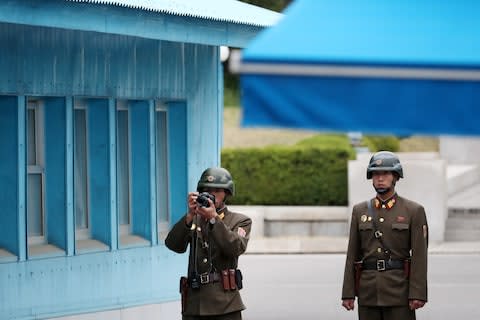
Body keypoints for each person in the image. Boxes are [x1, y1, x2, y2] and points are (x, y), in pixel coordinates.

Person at [341, 151, 428, 320]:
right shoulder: (359, 211)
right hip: (368, 293)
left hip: (399, 293)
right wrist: (348, 292)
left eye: (386, 173)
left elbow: (419, 256)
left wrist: (418, 293)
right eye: (375, 174)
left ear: (396, 176)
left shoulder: (413, 211)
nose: (380, 178)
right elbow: (352, 254)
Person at [165, 167, 252, 320]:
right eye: (207, 190)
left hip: (225, 305)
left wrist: (214, 219)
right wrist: (189, 216)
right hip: (194, 305)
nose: (212, 194)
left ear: (226, 193)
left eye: (217, 190)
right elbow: (173, 245)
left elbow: (235, 248)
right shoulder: (194, 218)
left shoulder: (240, 221)